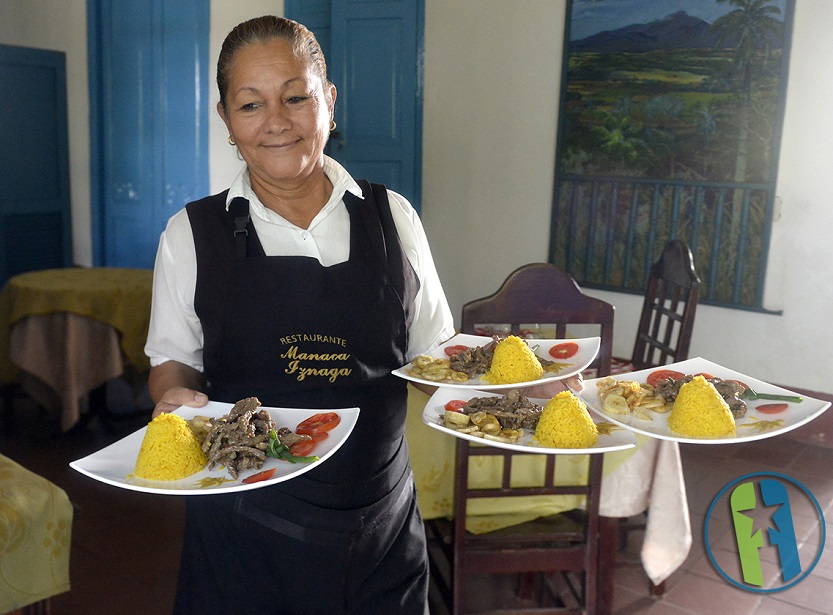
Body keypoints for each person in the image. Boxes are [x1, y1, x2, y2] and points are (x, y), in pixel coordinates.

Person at [144, 15, 455, 614]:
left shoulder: (394, 218)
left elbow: (436, 358)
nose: (277, 122)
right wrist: (176, 396)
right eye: (250, 105)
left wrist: (523, 385)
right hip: (242, 531)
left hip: (382, 526)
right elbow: (173, 361)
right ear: (226, 120)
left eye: (296, 96)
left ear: (329, 102)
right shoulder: (191, 234)